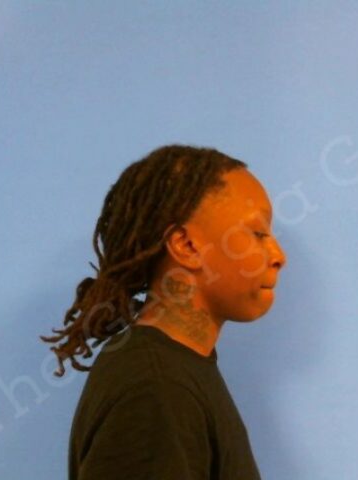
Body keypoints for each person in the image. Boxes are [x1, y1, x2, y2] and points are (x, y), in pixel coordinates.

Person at [40, 144, 287, 480]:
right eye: (258, 233)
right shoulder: (157, 389)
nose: (278, 255)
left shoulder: (174, 371)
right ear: (186, 246)